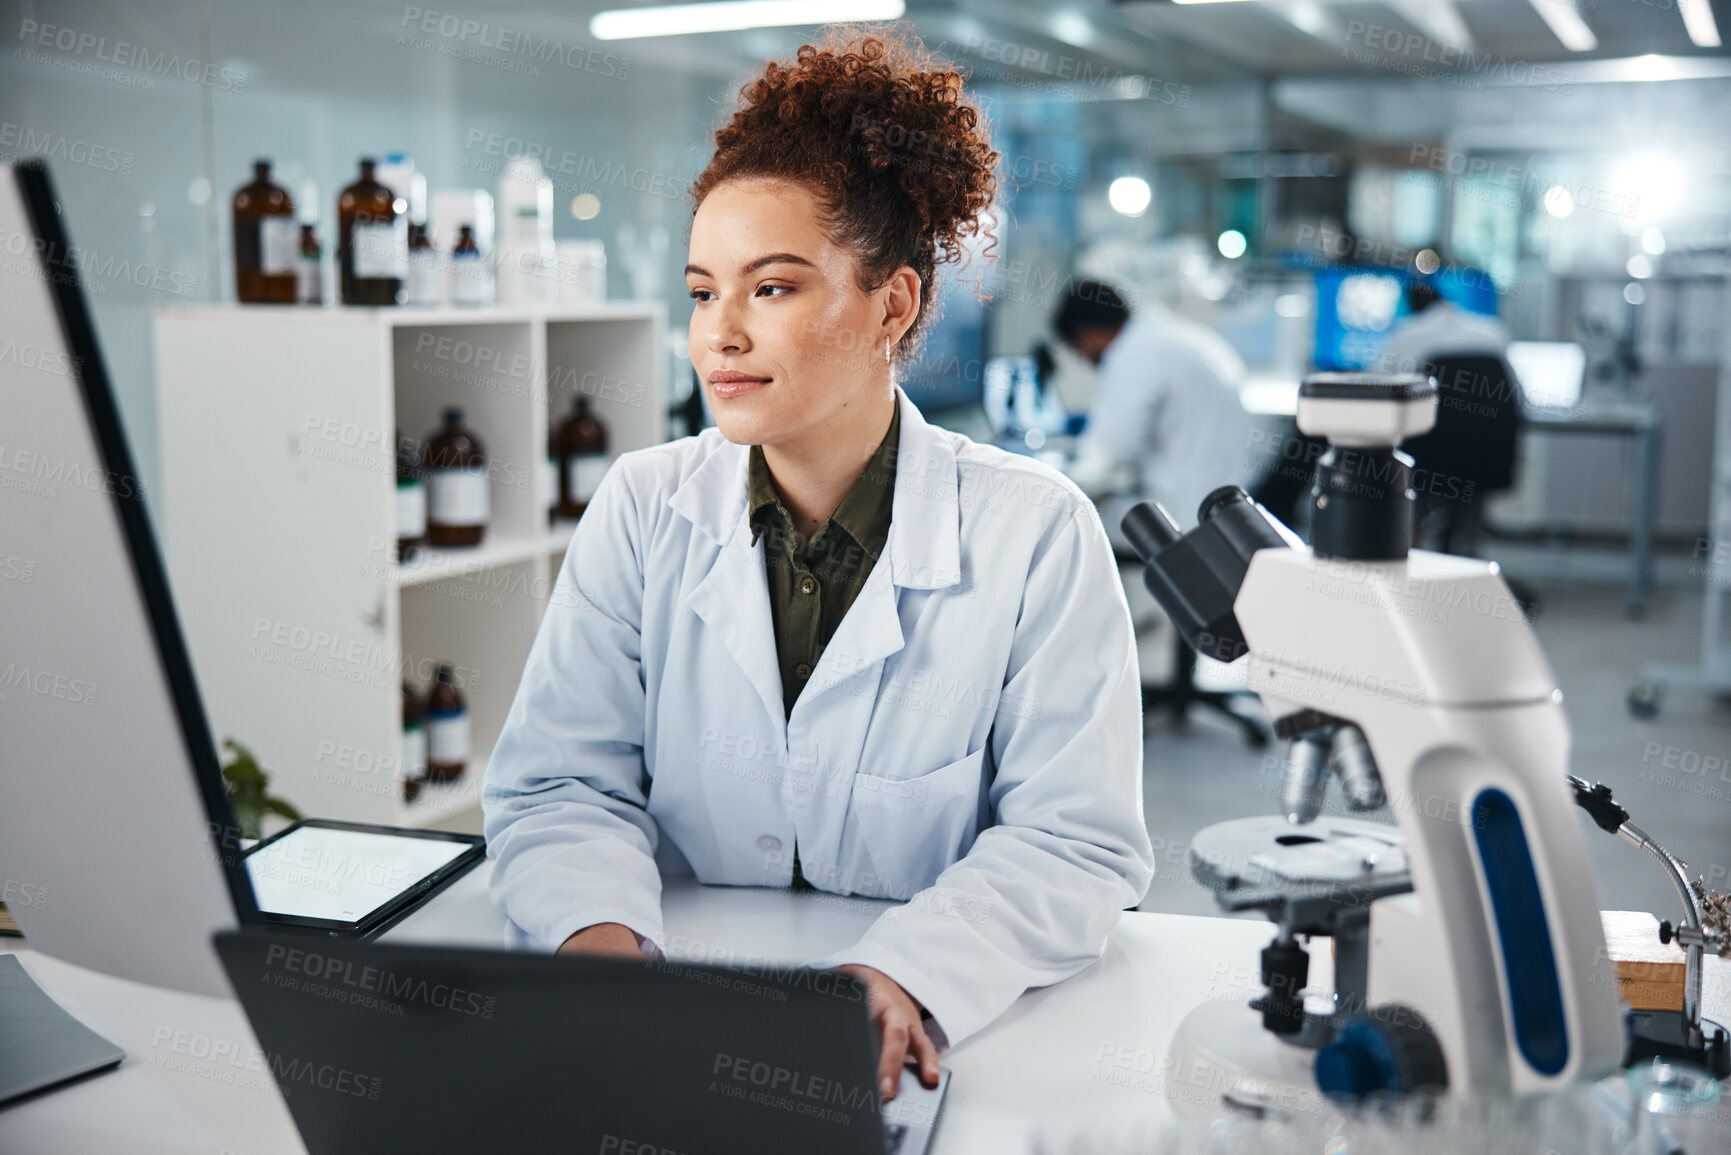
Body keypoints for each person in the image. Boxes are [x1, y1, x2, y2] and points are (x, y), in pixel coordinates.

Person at [482, 30, 1154, 1103]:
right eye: (703, 293)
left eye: (774, 289)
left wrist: (901, 973)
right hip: (670, 1026)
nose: (720, 337)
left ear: (893, 307)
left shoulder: (1033, 532)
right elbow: (561, 781)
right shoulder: (645, 505)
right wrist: (603, 957)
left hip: (935, 1048)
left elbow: (1075, 843)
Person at [1060, 280, 1255, 537]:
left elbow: (1105, 455)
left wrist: (1055, 473)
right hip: (1230, 502)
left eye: (1080, 350)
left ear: (1088, 334)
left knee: (1069, 521)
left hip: (1187, 513)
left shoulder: (1136, 354)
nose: (1085, 359)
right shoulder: (1173, 336)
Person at [1372, 280, 1509, 377]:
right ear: (1442, 300)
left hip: (1430, 418)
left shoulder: (1404, 336)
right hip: (1496, 418)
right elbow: (1515, 396)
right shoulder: (1493, 331)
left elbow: (1375, 383)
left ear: (1411, 307)